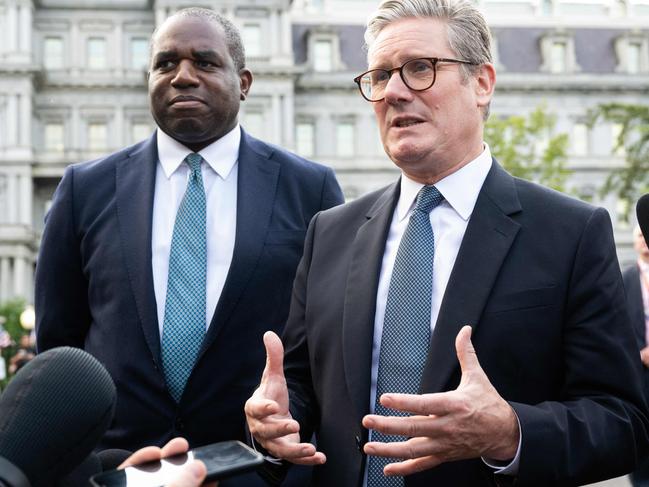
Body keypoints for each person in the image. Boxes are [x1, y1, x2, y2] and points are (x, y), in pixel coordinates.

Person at [245, 0, 649, 485]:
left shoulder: (571, 232)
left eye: (420, 68)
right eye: (379, 76)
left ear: (482, 84)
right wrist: (273, 426)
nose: (393, 91)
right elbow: (301, 388)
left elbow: (623, 422)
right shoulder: (329, 233)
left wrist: (510, 433)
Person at [35, 4, 343, 467]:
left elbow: (326, 343)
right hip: (118, 468)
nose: (182, 76)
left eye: (204, 62)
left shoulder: (310, 188)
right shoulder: (85, 189)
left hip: (256, 468)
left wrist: (286, 426)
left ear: (243, 83)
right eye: (165, 63)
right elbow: (60, 346)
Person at [623, 225, 649, 487]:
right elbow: (614, 330)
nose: (645, 241)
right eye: (640, 236)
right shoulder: (623, 280)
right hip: (637, 375)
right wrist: (637, 356)